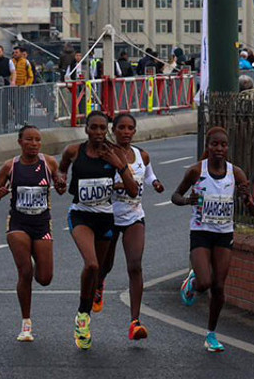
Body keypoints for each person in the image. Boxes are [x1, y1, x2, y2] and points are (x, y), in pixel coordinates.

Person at [55, 111, 140, 351]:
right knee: (91, 264)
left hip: (105, 217)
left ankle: (91, 299)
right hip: (81, 214)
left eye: (103, 128)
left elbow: (133, 191)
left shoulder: (114, 153)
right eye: (95, 128)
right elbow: (61, 171)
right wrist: (60, 180)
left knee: (101, 269)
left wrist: (120, 166)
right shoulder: (74, 151)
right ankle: (83, 316)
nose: (99, 133)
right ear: (86, 129)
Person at [172, 126, 254, 353]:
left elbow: (253, 210)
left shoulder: (236, 173)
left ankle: (210, 334)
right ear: (208, 147)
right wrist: (187, 201)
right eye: (214, 144)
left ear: (227, 148)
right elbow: (175, 195)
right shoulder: (196, 172)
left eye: (223, 145)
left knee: (219, 286)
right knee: (205, 283)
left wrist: (247, 201)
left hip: (224, 234)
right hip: (200, 232)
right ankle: (193, 281)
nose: (219, 149)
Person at [94, 113, 164, 341]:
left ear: (135, 131)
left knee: (135, 265)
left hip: (134, 215)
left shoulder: (141, 155)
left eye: (129, 128)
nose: (125, 132)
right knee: (106, 264)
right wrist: (119, 183)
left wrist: (155, 183)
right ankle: (98, 284)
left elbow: (149, 174)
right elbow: (99, 180)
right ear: (114, 130)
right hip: (109, 216)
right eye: (121, 128)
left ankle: (135, 321)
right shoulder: (107, 154)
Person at [0, 125, 60, 342]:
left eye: (37, 140)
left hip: (42, 224)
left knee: (45, 278)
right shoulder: (10, 166)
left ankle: (39, 259)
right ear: (20, 142)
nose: (33, 144)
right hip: (18, 224)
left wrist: (60, 184)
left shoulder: (49, 163)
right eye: (29, 140)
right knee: (25, 271)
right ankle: (26, 324)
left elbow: (60, 185)